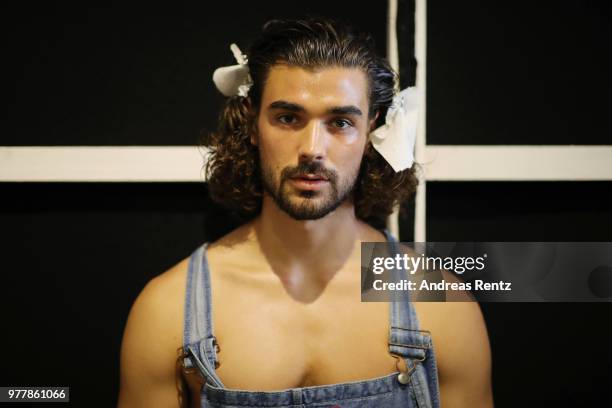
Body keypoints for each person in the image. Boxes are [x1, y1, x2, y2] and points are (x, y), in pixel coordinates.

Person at [118, 17, 493, 408]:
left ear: (371, 132)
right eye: (288, 118)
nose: (312, 148)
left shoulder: (443, 303)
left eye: (340, 123)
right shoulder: (168, 308)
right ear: (251, 122)